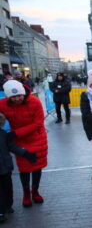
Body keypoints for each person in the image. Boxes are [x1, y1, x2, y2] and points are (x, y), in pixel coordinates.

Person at [0, 80, 48, 208]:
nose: (17, 99)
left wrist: (15, 133)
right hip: (19, 141)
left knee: (37, 166)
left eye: (19, 95)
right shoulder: (3, 104)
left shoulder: (35, 102)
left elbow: (38, 123)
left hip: (36, 137)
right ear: (8, 97)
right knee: (24, 169)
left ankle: (35, 191)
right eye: (13, 97)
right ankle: (26, 194)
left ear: (23, 93)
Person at [0, 113, 38, 222]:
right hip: (4, 166)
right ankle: (1, 211)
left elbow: (12, 147)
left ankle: (8, 205)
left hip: (6, 167)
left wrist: (26, 153)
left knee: (8, 188)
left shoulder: (3, 134)